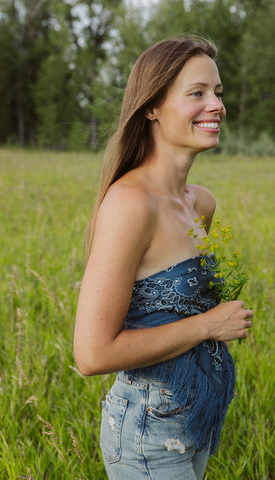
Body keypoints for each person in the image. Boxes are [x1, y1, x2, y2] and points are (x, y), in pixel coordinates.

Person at [74, 36, 253, 480]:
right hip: (145, 432)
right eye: (197, 93)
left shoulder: (201, 204)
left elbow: (174, 307)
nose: (215, 105)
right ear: (151, 107)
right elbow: (92, 354)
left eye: (218, 92)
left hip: (195, 417)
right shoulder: (130, 204)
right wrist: (210, 325)